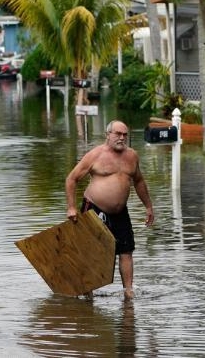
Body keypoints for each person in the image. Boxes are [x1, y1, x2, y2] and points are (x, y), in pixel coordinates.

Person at [65, 120, 154, 298]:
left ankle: (128, 291)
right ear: (108, 134)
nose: (122, 138)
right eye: (118, 134)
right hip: (94, 209)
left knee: (126, 250)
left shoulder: (132, 156)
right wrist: (72, 207)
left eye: (125, 135)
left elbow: (139, 181)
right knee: (91, 252)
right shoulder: (95, 155)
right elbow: (71, 179)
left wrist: (148, 207)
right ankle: (87, 292)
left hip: (120, 212)